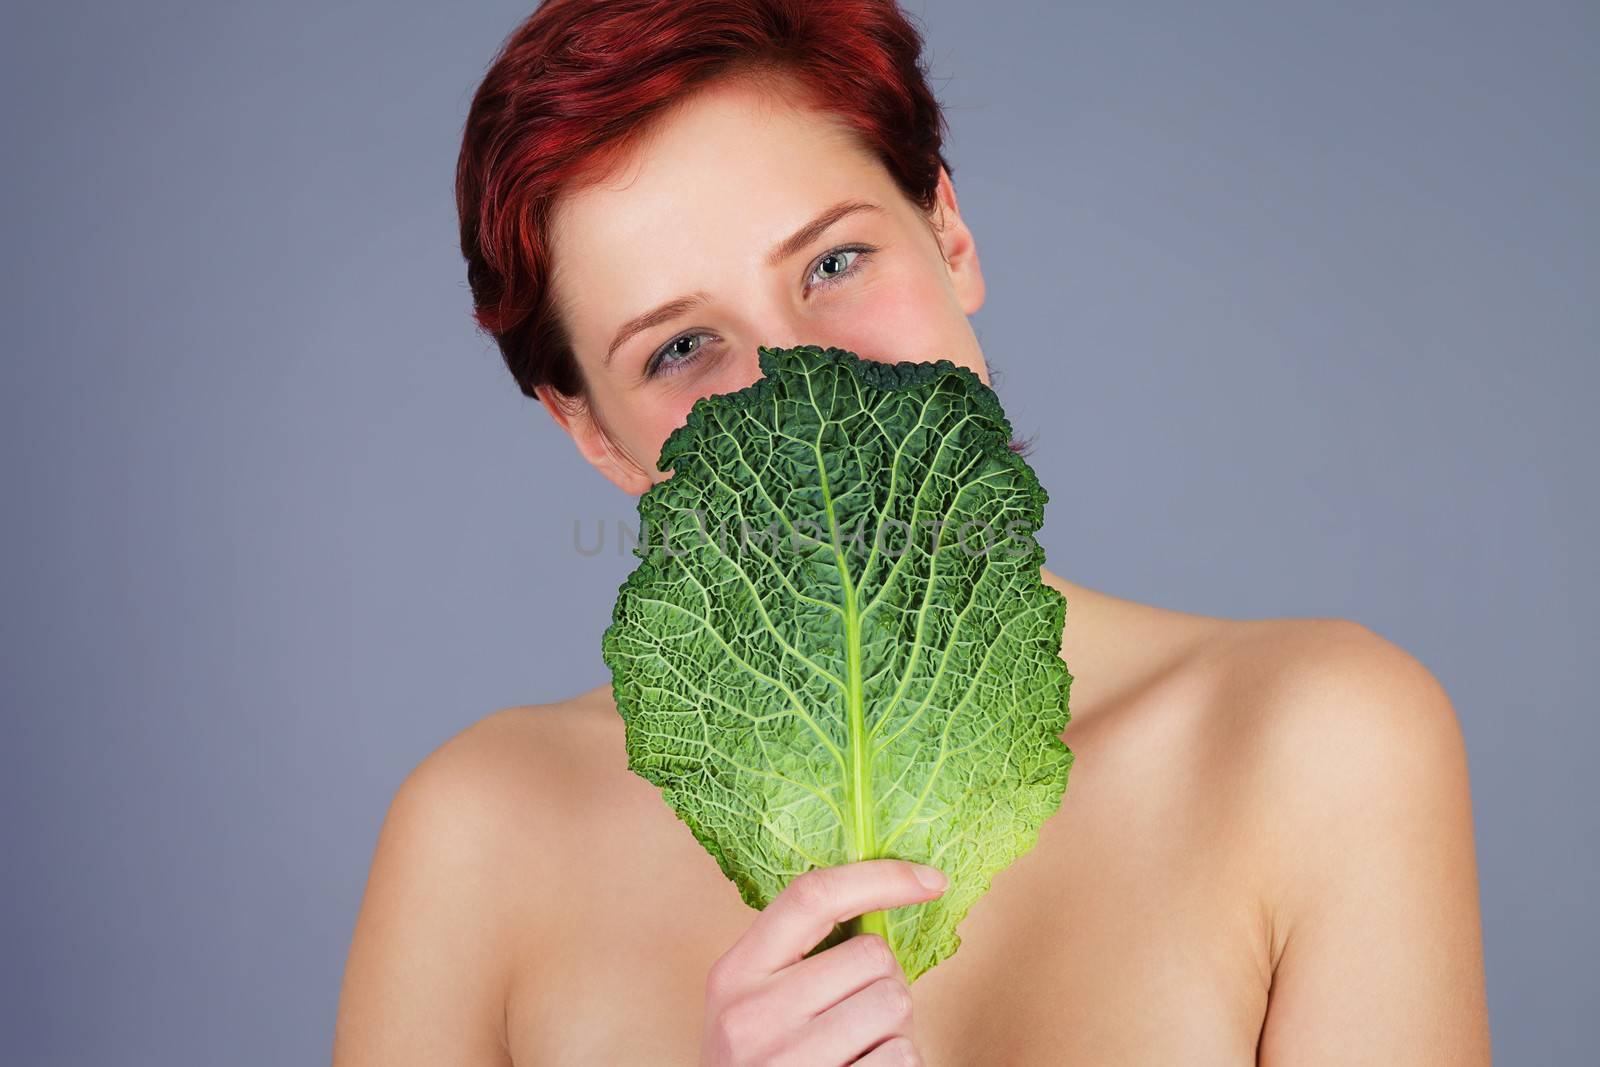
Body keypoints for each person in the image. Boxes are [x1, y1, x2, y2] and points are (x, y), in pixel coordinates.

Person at [332, 1, 1491, 1063]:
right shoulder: (477, 837)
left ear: (948, 232)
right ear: (592, 432)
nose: (799, 379)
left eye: (833, 262)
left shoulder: (1318, 745)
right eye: (679, 346)